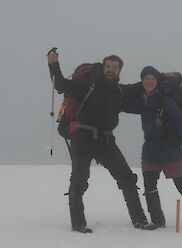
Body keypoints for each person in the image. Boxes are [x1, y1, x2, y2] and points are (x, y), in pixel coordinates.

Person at [48, 51, 151, 233]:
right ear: (103, 68)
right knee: (79, 179)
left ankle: (139, 220)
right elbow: (62, 84)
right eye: (108, 66)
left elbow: (138, 87)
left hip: (105, 140)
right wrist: (53, 64)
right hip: (82, 138)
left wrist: (160, 77)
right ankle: (78, 223)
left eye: (115, 68)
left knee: (126, 177)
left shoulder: (119, 91)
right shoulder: (86, 85)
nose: (111, 70)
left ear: (119, 71)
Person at [124, 66, 182, 231]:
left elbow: (181, 120)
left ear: (157, 82)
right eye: (146, 79)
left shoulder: (166, 101)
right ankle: (157, 220)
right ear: (142, 82)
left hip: (171, 149)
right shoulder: (141, 101)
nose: (149, 81)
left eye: (152, 79)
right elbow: (122, 105)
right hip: (150, 150)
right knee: (150, 186)